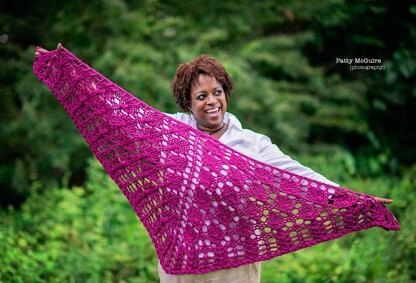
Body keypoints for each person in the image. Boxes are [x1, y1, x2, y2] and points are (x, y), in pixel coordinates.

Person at [35, 44, 393, 283]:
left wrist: (351, 199)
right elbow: (118, 114)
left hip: (235, 265)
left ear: (226, 93)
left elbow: (299, 176)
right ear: (188, 102)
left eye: (217, 92)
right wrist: (69, 75)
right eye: (201, 96)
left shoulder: (251, 144)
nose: (211, 101)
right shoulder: (169, 133)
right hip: (183, 266)